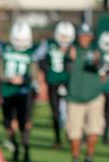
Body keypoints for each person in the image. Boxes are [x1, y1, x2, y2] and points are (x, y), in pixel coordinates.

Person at [0, 20, 39, 162]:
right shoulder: (5, 50)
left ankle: (26, 151)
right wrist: (9, 79)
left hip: (24, 93)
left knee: (24, 123)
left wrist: (24, 80)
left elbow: (34, 74)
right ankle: (15, 148)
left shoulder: (31, 52)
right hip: (7, 92)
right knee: (8, 123)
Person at [65, 23, 103, 162]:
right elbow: (66, 70)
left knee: (93, 130)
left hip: (93, 96)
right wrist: (70, 60)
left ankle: (89, 157)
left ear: (91, 37)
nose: (84, 38)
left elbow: (101, 67)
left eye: (87, 35)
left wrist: (96, 61)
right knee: (74, 131)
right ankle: (75, 158)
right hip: (74, 97)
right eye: (82, 35)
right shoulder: (71, 51)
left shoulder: (96, 52)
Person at [39, 21, 75, 149]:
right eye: (62, 36)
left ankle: (73, 136)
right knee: (55, 112)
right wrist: (48, 71)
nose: (64, 39)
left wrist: (71, 58)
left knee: (72, 111)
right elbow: (40, 59)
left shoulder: (74, 47)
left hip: (69, 82)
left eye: (67, 36)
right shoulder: (48, 44)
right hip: (53, 83)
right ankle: (57, 139)